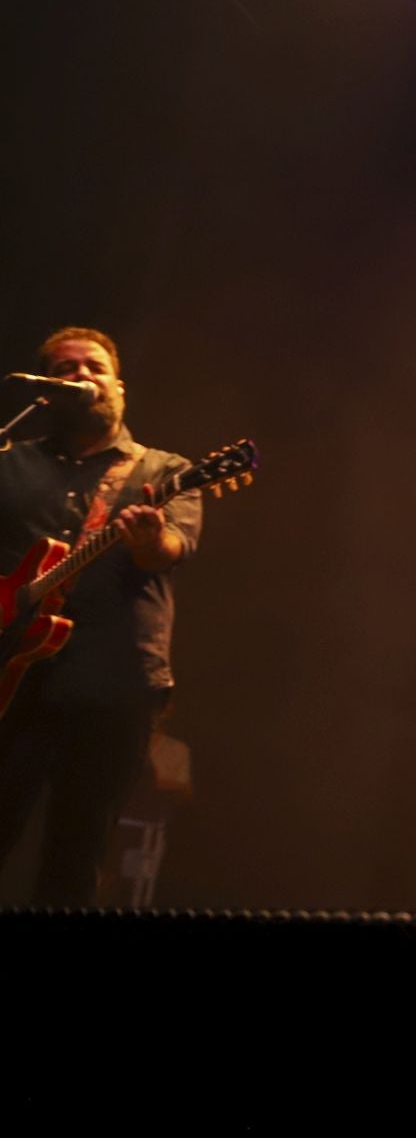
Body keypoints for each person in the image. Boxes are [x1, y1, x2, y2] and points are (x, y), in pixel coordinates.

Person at [0, 327, 202, 904]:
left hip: (112, 686)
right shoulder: (10, 464)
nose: (82, 376)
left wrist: (147, 539)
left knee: (74, 856)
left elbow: (168, 553)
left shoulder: (166, 471)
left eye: (94, 367)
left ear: (118, 386)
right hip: (12, 682)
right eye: (65, 370)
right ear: (46, 390)